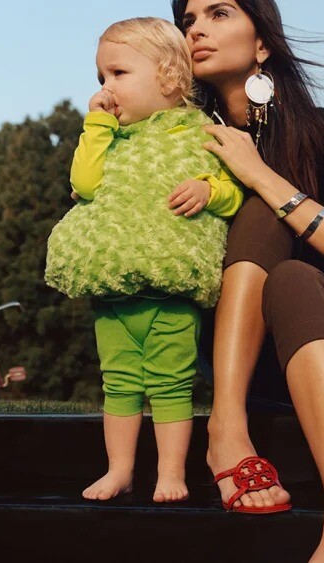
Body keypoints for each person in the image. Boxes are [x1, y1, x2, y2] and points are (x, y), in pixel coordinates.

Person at [172, 1, 324, 560]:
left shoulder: (323, 131)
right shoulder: (175, 140)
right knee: (260, 218)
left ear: (263, 43)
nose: (197, 29)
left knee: (289, 268)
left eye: (219, 13)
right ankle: (228, 423)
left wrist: (260, 176)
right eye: (188, 20)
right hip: (229, 357)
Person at [44, 17, 244, 504]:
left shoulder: (203, 134)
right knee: (118, 383)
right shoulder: (109, 137)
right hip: (113, 288)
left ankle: (170, 473)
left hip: (170, 288)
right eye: (101, 77)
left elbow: (236, 192)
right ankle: (120, 470)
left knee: (172, 384)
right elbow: (85, 183)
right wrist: (96, 126)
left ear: (169, 77)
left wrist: (209, 190)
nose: (105, 88)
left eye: (118, 73)